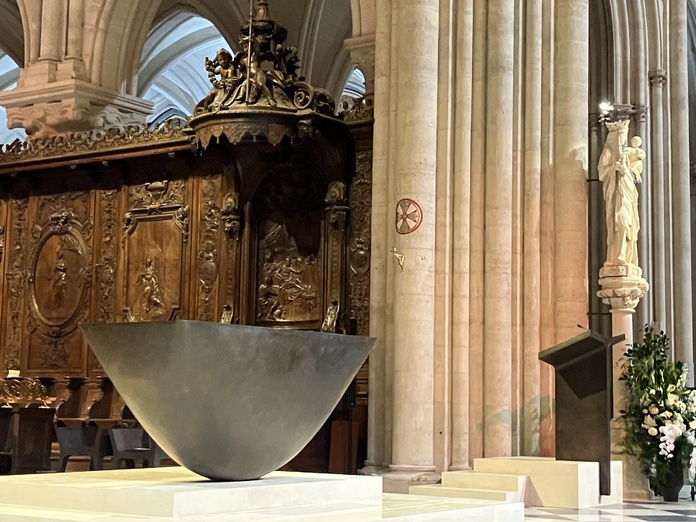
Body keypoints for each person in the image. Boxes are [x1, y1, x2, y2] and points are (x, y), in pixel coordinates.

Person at [598, 120, 644, 267]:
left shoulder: (624, 154)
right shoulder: (609, 152)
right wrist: (615, 167)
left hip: (628, 194)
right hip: (616, 196)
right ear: (616, 134)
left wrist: (632, 170)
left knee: (629, 226)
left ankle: (627, 256)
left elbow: (635, 168)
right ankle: (618, 255)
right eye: (622, 134)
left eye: (625, 133)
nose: (624, 137)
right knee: (620, 222)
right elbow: (601, 173)